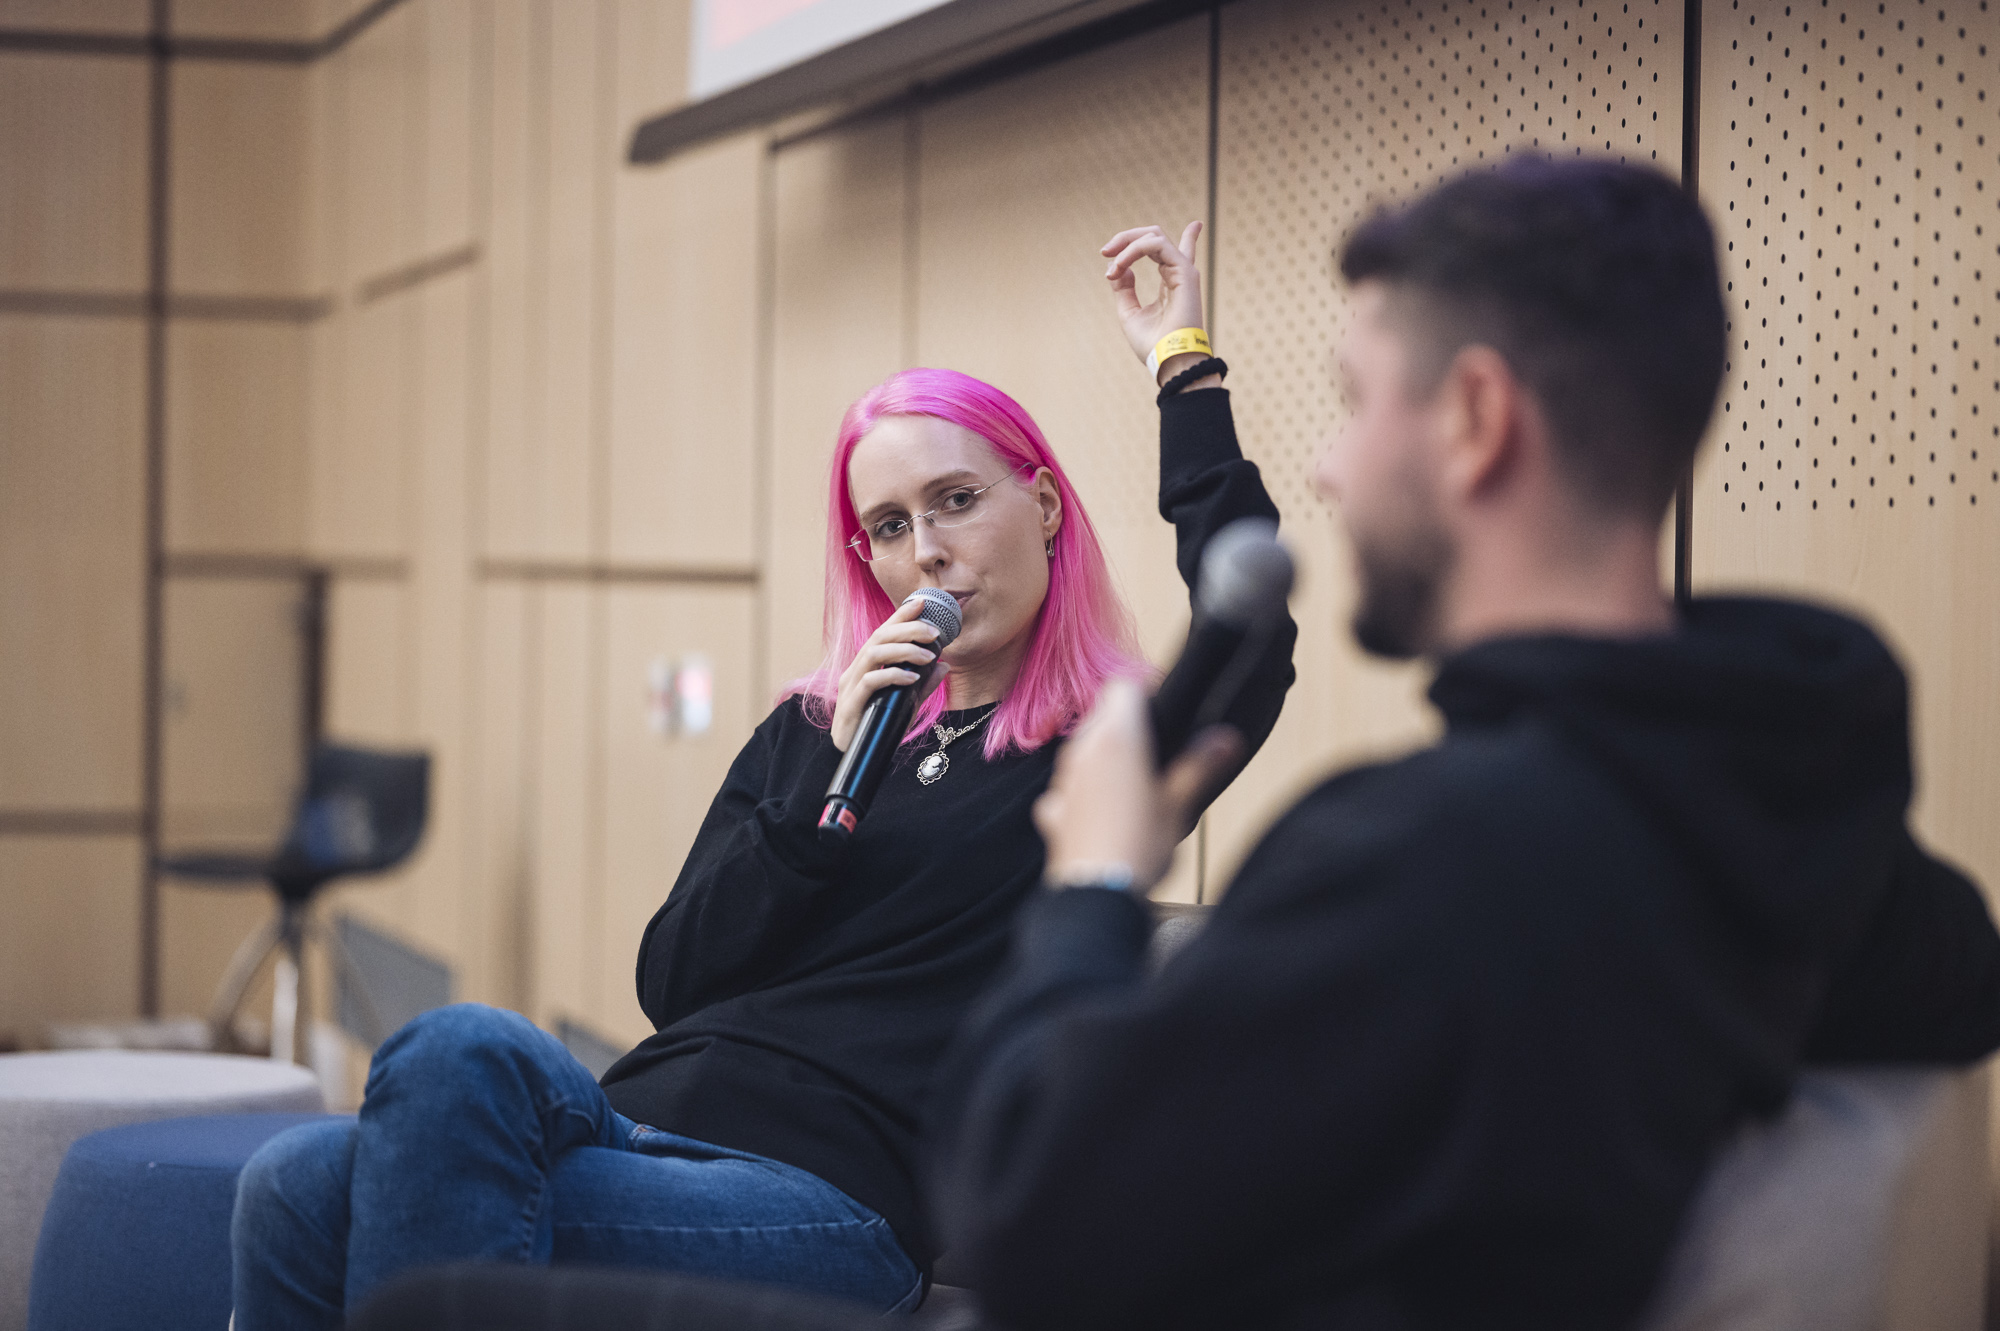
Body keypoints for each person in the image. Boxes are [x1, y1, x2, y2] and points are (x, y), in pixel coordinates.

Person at [927, 159, 2000, 1330]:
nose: (1330, 465)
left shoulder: (1424, 859)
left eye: (1355, 401)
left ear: (1475, 419)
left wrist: (1090, 882)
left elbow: (1020, 1221)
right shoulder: (1799, 798)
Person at [229, 222, 1295, 1325]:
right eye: (890, 526)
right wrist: (823, 791)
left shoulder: (1099, 754)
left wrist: (1183, 367)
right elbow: (671, 977)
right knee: (301, 1170)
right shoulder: (815, 730)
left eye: (956, 500)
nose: (926, 550)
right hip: (641, 1127)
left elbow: (1251, 636)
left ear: (1045, 505)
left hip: (828, 1200)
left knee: (401, 1110)